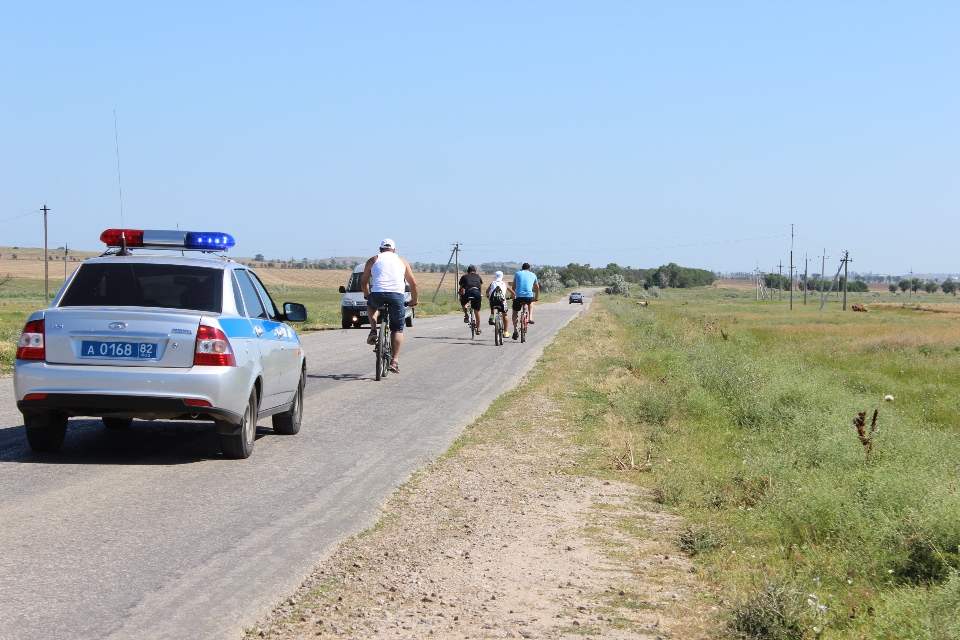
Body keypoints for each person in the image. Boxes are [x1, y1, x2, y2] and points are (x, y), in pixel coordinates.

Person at [361, 238, 419, 373]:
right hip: (396, 295)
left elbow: (364, 282)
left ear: (380, 249)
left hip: (378, 294)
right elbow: (414, 284)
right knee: (398, 328)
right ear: (394, 250)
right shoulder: (402, 261)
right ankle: (395, 361)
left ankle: (374, 330)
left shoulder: (373, 259)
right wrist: (414, 300)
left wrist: (367, 294)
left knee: (371, 305)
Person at [511, 262, 539, 340]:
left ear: (522, 268)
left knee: (515, 313)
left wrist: (513, 296)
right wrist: (536, 297)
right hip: (528, 296)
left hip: (518, 296)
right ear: (529, 269)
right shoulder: (533, 275)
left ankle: (515, 329)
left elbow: (513, 286)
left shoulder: (517, 274)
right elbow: (537, 288)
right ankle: (530, 317)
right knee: (531, 301)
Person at [458, 265, 484, 334]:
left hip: (467, 292)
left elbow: (461, 288)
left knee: (463, 303)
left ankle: (466, 315)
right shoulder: (478, 276)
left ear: (468, 271)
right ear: (475, 271)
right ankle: (478, 329)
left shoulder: (464, 276)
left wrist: (461, 297)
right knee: (477, 311)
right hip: (476, 292)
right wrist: (480, 295)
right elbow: (480, 287)